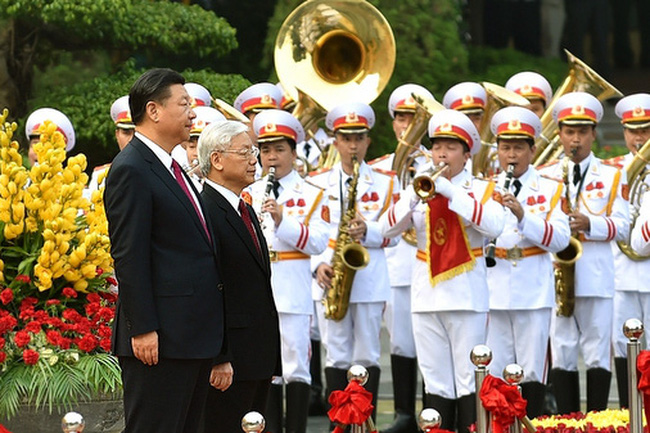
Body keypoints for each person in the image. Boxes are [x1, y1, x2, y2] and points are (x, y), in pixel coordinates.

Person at [104, 68, 229, 433]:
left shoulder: (174, 166)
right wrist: (142, 328)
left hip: (190, 335)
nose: (193, 112)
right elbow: (129, 254)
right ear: (153, 111)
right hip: (160, 340)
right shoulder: (132, 168)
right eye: (184, 104)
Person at [380, 109, 505, 433]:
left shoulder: (482, 189)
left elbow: (494, 225)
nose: (441, 154)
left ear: (467, 153)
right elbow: (385, 229)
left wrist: (451, 192)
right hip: (426, 295)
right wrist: (411, 194)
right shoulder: (421, 190)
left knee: (468, 379)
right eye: (437, 147)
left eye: (450, 147)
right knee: (435, 381)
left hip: (466, 295)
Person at [538, 92, 629, 413]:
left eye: (582, 132)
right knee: (561, 351)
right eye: (569, 132)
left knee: (597, 352)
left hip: (596, 273)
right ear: (559, 134)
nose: (575, 139)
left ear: (593, 134)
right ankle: (565, 419)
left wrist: (590, 222)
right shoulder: (545, 174)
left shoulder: (612, 175)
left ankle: (597, 419)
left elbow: (623, 226)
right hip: (557, 275)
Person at [310, 102, 399, 422]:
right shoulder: (317, 181)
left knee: (368, 353)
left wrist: (370, 230)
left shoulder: (388, 182)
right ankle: (339, 423)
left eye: (358, 138)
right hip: (332, 276)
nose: (352, 146)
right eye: (345, 139)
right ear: (335, 141)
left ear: (368, 142)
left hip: (370, 275)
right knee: (335, 352)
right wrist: (317, 264)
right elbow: (312, 230)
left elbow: (397, 234)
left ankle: (363, 421)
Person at [246, 109, 329, 433]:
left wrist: (284, 221)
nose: (271, 157)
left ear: (294, 153)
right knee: (267, 367)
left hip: (293, 287)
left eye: (279, 149)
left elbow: (319, 242)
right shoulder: (248, 192)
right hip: (259, 288)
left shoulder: (311, 193)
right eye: (265, 150)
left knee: (296, 366)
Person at [485, 106, 570, 418]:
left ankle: (533, 424)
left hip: (532, 291)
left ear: (532, 150)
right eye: (505, 147)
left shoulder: (550, 187)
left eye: (519, 147)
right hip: (493, 289)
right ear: (496, 150)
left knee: (532, 371)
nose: (511, 155)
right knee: (496, 369)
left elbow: (560, 240)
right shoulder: (485, 187)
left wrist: (524, 215)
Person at [198, 120, 282, 433]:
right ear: (217, 160)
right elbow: (209, 288)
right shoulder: (206, 210)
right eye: (244, 152)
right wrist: (220, 356)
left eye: (253, 151)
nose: (254, 160)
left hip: (255, 355)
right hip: (230, 361)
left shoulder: (242, 208)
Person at [370, 83, 435, 433]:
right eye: (401, 118)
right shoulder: (379, 169)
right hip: (395, 263)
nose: (407, 125)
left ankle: (432, 411)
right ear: (392, 122)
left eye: (414, 118)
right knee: (401, 341)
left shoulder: (435, 165)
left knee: (432, 340)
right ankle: (404, 413)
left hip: (431, 262)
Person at [607, 93, 650, 407]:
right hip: (621, 273)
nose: (639, 138)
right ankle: (628, 413)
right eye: (633, 131)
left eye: (646, 130)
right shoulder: (611, 172)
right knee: (623, 350)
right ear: (623, 132)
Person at [86, 96, 135, 196]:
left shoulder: (162, 171)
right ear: (117, 135)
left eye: (137, 133)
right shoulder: (100, 176)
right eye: (126, 132)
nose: (131, 139)